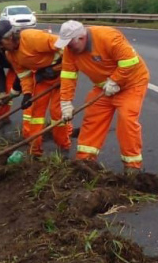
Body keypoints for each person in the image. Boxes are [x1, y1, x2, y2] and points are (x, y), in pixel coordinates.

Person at [55, 20, 150, 176]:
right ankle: (84, 162)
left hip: (131, 84)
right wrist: (65, 103)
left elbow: (130, 61)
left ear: (81, 37)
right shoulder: (70, 50)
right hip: (103, 89)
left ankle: (132, 167)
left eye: (70, 43)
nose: (68, 47)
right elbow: (68, 76)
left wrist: (115, 80)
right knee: (92, 119)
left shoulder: (108, 36)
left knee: (127, 120)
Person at [0, 21, 71, 157]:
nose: (0, 47)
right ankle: (35, 151)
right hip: (44, 78)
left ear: (10, 36)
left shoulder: (32, 38)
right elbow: (24, 75)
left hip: (63, 75)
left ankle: (63, 146)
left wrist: (56, 68)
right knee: (36, 115)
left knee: (56, 112)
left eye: (1, 43)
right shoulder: (10, 54)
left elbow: (66, 47)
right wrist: (27, 94)